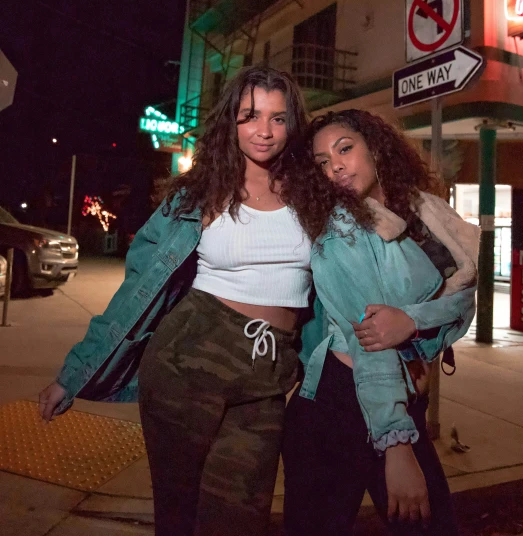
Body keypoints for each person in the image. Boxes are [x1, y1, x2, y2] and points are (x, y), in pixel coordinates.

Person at [38, 66, 360, 536]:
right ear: (231, 122)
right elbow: (137, 291)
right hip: (186, 358)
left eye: (278, 117)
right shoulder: (198, 195)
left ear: (293, 125)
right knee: (178, 516)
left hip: (267, 372)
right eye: (250, 116)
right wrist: (75, 373)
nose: (264, 131)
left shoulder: (315, 196)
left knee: (240, 518)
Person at [283, 109, 480, 536]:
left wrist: (411, 320)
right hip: (343, 402)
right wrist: (396, 444)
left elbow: (465, 299)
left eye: (345, 149)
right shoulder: (341, 230)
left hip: (403, 393)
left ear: (374, 146)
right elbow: (370, 338)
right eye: (322, 161)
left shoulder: (425, 212)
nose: (334, 165)